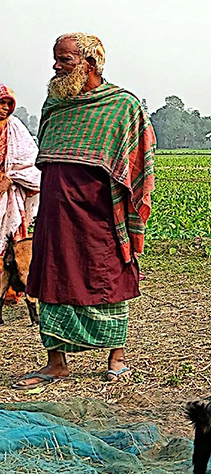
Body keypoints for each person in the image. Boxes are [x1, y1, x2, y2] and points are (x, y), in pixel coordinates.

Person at [12, 33, 155, 390]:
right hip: (55, 211)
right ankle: (56, 363)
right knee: (52, 277)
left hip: (100, 213)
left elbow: (137, 159)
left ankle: (117, 358)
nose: (56, 67)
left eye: (65, 60)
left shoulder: (121, 106)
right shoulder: (54, 104)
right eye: (55, 60)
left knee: (107, 278)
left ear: (90, 63)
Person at [0, 84, 41, 253]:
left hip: (9, 191)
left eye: (9, 104)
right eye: (2, 102)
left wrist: (9, 178)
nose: (5, 108)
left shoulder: (15, 127)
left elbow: (31, 162)